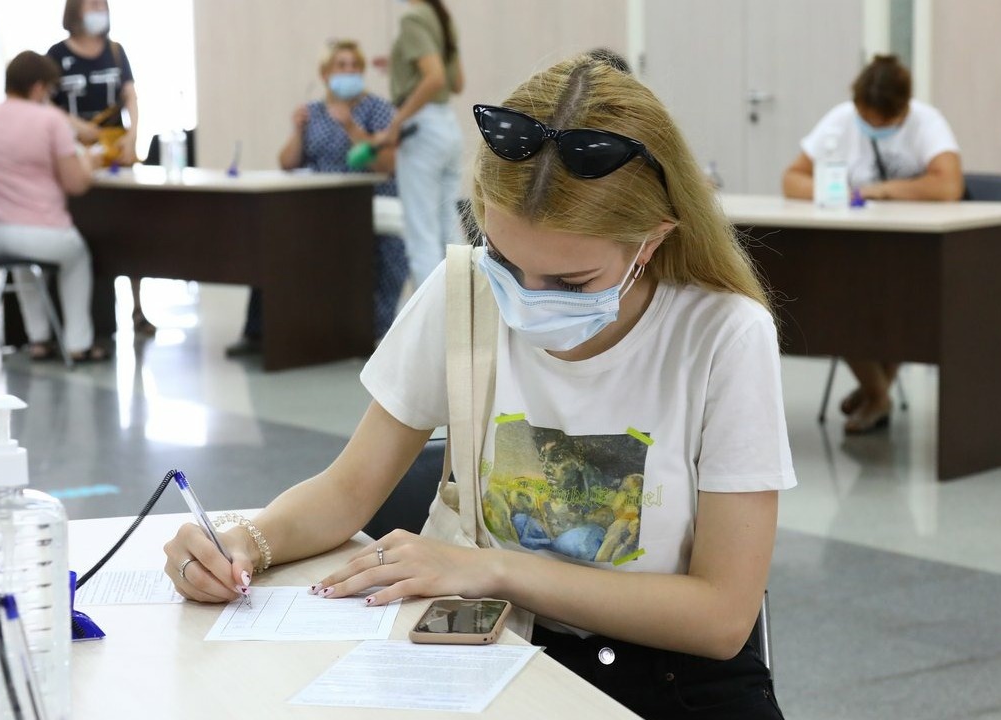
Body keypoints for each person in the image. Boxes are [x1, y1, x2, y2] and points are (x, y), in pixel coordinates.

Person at [166, 54, 794, 719]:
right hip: (504, 649)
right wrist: (245, 541)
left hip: (670, 677)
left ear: (651, 240)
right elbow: (348, 490)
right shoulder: (465, 292)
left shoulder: (725, 334)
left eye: (572, 283)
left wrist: (491, 569)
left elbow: (722, 616)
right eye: (505, 261)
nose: (526, 300)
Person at [782, 54, 963, 434]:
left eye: (883, 122)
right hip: (852, 251)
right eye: (867, 119)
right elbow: (792, 179)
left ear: (903, 109)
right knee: (840, 301)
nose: (873, 127)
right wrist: (836, 193)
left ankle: (875, 393)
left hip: (913, 257)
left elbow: (948, 185)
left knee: (898, 305)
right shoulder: (840, 120)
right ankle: (877, 393)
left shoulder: (927, 122)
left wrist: (882, 190)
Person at [226, 40, 408, 357]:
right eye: (342, 65)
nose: (350, 71)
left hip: (366, 205)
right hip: (319, 206)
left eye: (355, 66)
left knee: (385, 251)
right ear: (325, 74)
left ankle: (371, 334)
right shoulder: (312, 112)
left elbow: (388, 164)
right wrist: (297, 131)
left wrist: (351, 127)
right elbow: (287, 162)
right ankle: (259, 331)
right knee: (271, 240)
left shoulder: (378, 110)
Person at [0, 51, 107, 362]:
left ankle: (39, 339)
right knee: (76, 258)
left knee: (23, 265)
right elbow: (75, 184)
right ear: (38, 87)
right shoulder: (50, 121)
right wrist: (89, 162)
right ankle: (78, 343)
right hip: (42, 231)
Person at [47, 0, 155, 336]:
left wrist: (133, 134)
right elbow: (45, 106)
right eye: (91, 4)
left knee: (131, 228)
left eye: (101, 5)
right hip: (76, 154)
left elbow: (131, 96)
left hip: (115, 151)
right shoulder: (56, 55)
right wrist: (77, 126)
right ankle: (88, 317)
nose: (98, 10)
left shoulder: (116, 52)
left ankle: (138, 308)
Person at [374, 0, 464, 288]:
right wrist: (399, 67)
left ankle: (434, 315)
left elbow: (435, 78)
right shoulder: (441, 17)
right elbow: (456, 83)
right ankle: (463, 305)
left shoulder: (412, 18)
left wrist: (395, 123)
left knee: (421, 235)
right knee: (450, 231)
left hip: (421, 130)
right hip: (448, 125)